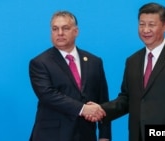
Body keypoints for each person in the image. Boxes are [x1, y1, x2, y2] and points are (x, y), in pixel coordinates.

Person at [86, 2, 165, 141]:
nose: (145, 30)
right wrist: (102, 109)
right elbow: (126, 99)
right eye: (141, 24)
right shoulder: (132, 60)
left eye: (151, 25)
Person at [29, 11, 111, 141]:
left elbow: (102, 100)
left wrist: (104, 136)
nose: (60, 33)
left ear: (76, 31)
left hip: (86, 135)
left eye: (65, 28)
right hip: (52, 136)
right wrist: (83, 109)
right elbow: (48, 95)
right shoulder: (40, 63)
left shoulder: (94, 61)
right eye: (55, 29)